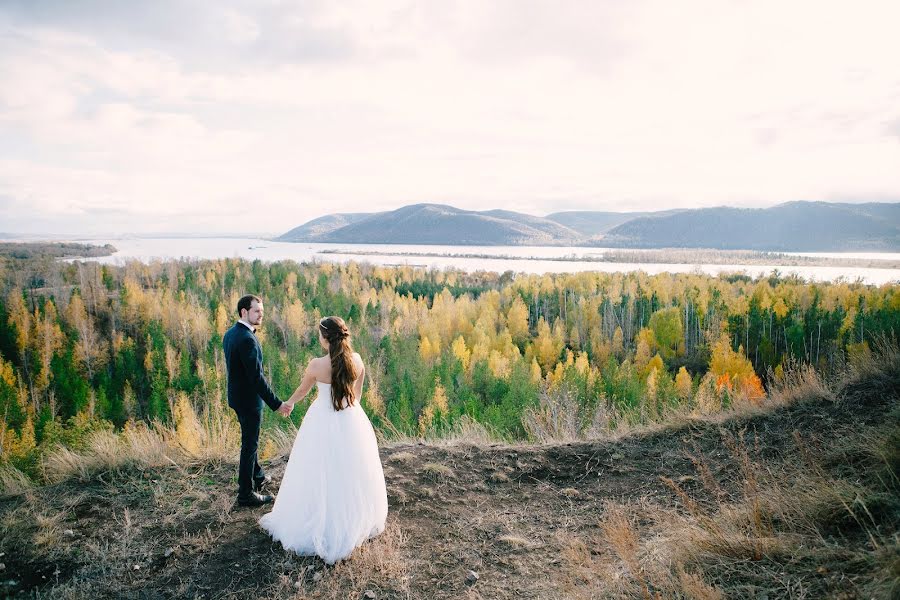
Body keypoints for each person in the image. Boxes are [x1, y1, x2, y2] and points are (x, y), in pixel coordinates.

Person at [260, 316, 388, 564]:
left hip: (322, 419)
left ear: (325, 338)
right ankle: (352, 517)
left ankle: (319, 517)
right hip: (351, 416)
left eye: (319, 334)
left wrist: (288, 404)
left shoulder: (317, 365)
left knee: (317, 469)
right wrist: (350, 410)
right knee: (351, 471)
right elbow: (357, 393)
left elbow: (302, 391)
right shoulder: (358, 360)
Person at [223, 294, 293, 507]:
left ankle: (259, 476)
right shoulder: (246, 339)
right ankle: (245, 494)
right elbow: (256, 378)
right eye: (256, 311)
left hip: (237, 398)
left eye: (262, 311)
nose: (261, 315)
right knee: (249, 446)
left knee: (248, 442)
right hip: (248, 401)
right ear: (244, 312)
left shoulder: (231, 333)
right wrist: (277, 403)